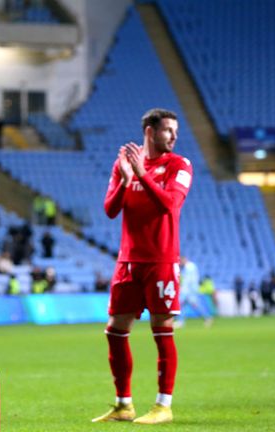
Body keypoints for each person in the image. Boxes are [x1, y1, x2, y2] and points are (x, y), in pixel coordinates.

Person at [94, 108, 192, 424]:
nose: (174, 136)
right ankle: (124, 404)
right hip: (127, 262)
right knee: (115, 331)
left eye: (175, 131)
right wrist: (125, 179)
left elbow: (169, 205)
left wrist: (141, 173)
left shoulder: (180, 165)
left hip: (161, 261)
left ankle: (164, 405)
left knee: (162, 332)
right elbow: (110, 210)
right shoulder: (123, 165)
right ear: (150, 131)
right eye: (168, 130)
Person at [175, 256, 212, 328]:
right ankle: (180, 321)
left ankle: (207, 317)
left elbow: (189, 280)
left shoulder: (189, 267)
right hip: (189, 290)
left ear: (184, 259)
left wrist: (182, 289)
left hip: (189, 291)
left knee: (192, 305)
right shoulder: (189, 267)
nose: (180, 263)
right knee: (182, 305)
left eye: (181, 261)